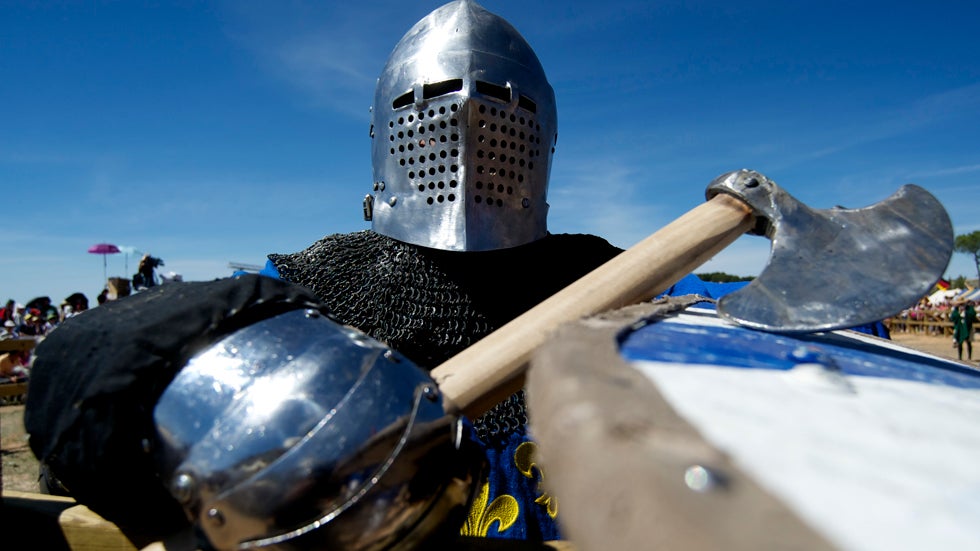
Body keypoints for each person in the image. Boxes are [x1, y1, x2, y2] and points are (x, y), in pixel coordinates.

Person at [25, 1, 887, 548]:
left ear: (539, 140)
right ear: (383, 138)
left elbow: (837, 335)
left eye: (503, 109)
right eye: (425, 106)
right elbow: (92, 419)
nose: (470, 123)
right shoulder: (298, 289)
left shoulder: (628, 284)